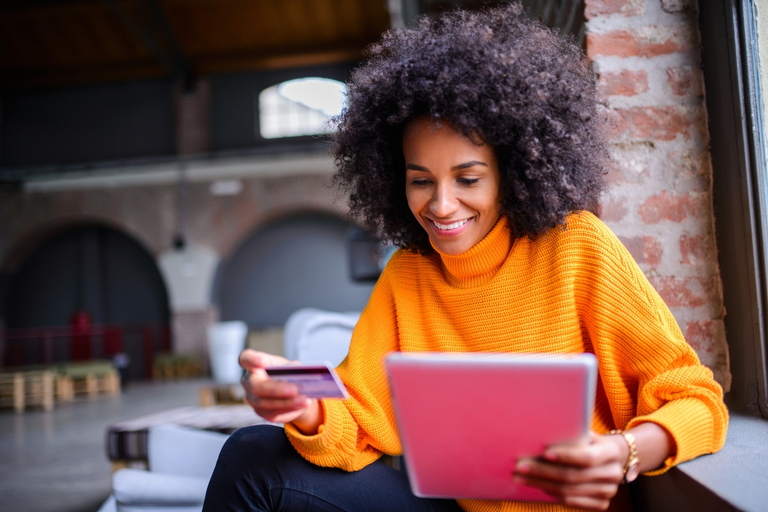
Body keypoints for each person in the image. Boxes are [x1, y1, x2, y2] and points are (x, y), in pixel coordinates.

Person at [203, 5, 728, 512]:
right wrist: (307, 406)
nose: (441, 204)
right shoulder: (408, 273)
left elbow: (698, 401)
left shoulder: (576, 248)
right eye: (420, 181)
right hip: (454, 509)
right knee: (250, 455)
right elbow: (358, 420)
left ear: (514, 170)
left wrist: (624, 452)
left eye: (468, 178)